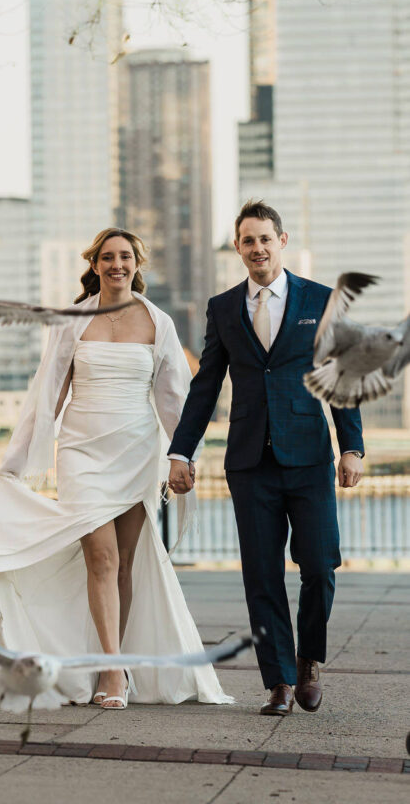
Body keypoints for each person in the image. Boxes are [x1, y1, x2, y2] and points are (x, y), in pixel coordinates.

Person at [0, 227, 231, 709]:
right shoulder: (72, 321)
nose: (117, 265)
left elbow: (174, 398)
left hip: (136, 452)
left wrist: (183, 456)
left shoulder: (158, 322)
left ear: (137, 264)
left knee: (124, 564)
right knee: (102, 560)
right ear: (94, 265)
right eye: (107, 257)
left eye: (125, 257)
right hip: (81, 454)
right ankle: (111, 672)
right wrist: (14, 464)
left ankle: (118, 662)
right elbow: (47, 395)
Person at [167, 200, 364, 716]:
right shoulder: (222, 307)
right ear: (238, 248)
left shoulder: (320, 300)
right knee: (261, 574)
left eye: (265, 239)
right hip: (250, 461)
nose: (258, 248)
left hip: (309, 457)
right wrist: (181, 450)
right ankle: (278, 681)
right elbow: (206, 385)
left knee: (319, 565)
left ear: (282, 241)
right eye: (248, 240)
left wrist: (351, 447)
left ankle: (308, 660)